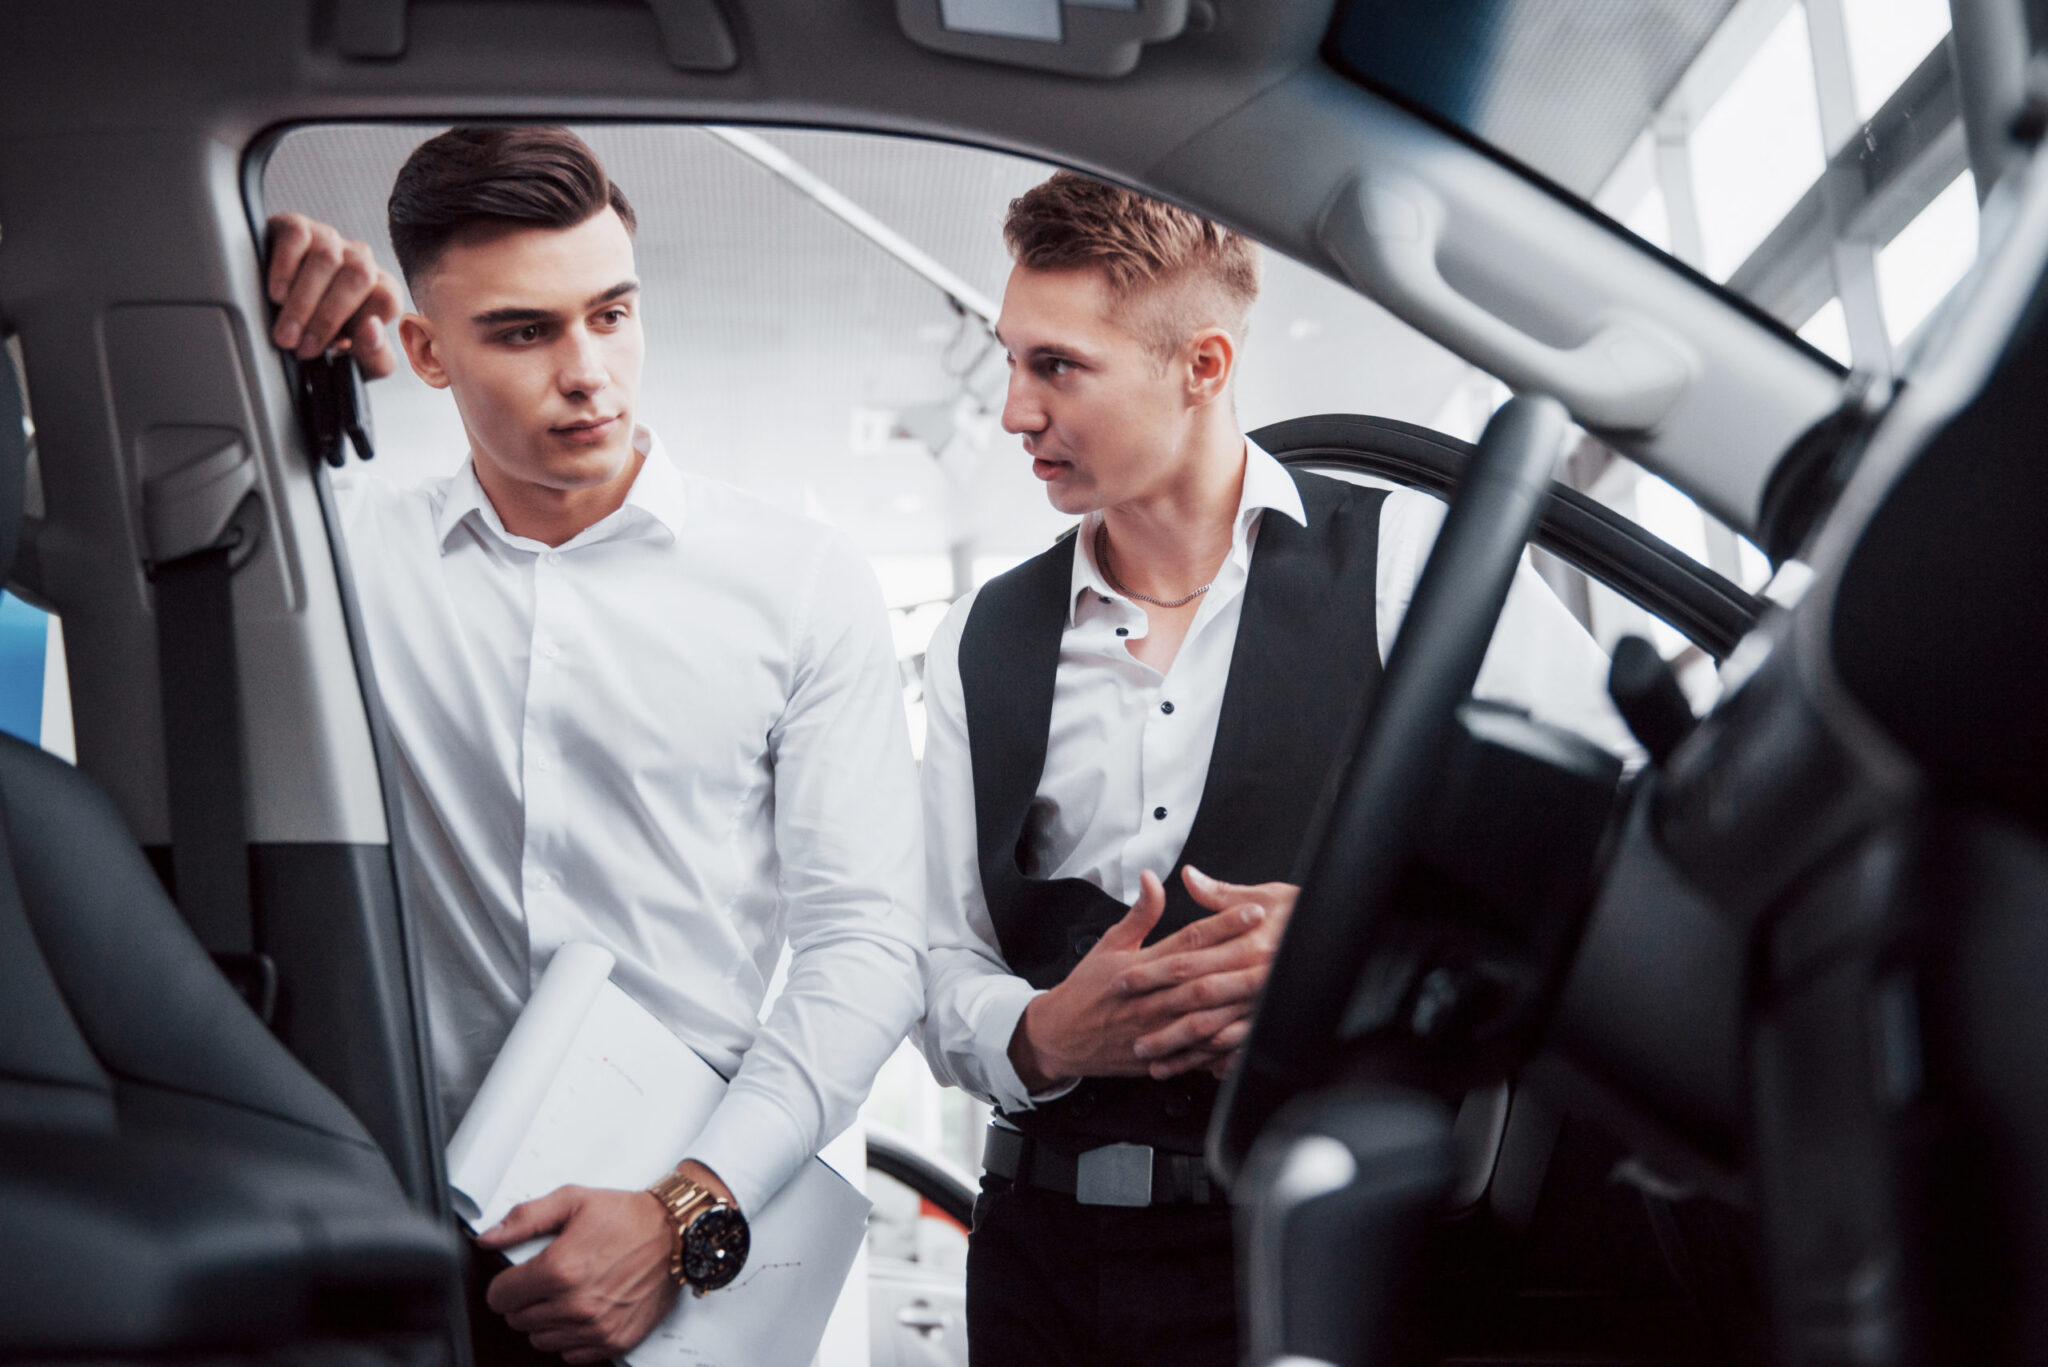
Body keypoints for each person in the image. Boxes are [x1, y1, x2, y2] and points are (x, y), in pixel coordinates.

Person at [915, 172, 1638, 1366]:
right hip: (1040, 1268)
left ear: (1201, 365)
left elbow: (1603, 837)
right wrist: (1043, 1033)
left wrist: (1354, 940)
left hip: (1327, 1248)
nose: (1010, 411)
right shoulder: (978, 636)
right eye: (1009, 359)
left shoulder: (1407, 563)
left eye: (1057, 367)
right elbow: (938, 958)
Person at [263, 126, 924, 1364]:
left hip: (680, 1244)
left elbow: (866, 945)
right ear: (424, 351)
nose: (590, 373)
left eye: (612, 314)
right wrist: (217, 330)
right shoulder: (341, 565)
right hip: (387, 1234)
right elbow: (60, 524)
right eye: (524, 331)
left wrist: (684, 1207)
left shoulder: (798, 581)